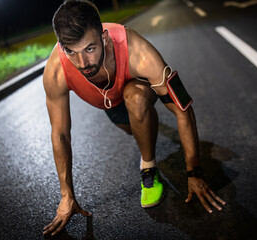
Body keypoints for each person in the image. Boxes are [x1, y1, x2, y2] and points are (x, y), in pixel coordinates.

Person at [43, 0, 226, 236]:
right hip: (109, 101)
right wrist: (66, 196)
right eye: (72, 52)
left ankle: (148, 169)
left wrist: (194, 173)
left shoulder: (138, 52)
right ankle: (144, 123)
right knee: (134, 128)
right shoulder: (56, 70)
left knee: (137, 101)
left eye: (90, 49)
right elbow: (59, 134)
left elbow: (183, 109)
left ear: (104, 38)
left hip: (135, 88)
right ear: (62, 47)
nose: (83, 64)